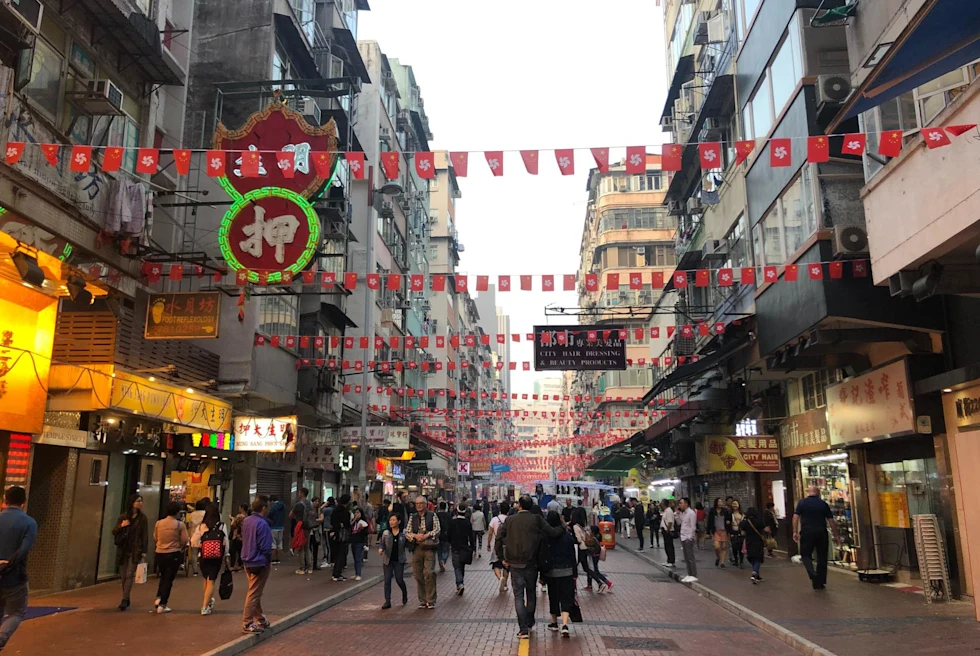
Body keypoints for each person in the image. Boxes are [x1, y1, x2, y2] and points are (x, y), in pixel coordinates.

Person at [494, 495, 565, 640]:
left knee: (518, 596)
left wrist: (502, 558)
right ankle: (530, 621)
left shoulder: (510, 520)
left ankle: (523, 628)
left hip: (514, 564)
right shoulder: (537, 519)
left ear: (519, 506)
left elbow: (498, 538)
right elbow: (552, 532)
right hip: (532, 563)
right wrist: (563, 527)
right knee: (531, 594)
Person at [0, 486, 37, 651]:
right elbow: (24, 549)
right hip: (15, 576)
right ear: (23, 502)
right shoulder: (29, 522)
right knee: (16, 612)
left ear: (5, 500)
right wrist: (8, 564)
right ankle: (1, 637)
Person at [793, 485, 840, 590]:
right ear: (817, 493)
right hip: (821, 532)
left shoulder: (802, 503)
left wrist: (795, 531)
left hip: (807, 532)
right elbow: (831, 520)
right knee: (822, 556)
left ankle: (812, 574)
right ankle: (820, 581)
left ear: (808, 492)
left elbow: (795, 517)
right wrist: (836, 535)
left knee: (805, 555)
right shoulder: (823, 504)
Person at [190, 502, 229, 615]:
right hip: (216, 557)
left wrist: (201, 545)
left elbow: (193, 541)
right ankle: (204, 606)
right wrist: (226, 555)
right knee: (211, 581)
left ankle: (208, 600)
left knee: (206, 579)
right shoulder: (222, 526)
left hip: (203, 556)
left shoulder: (201, 526)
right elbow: (225, 542)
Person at [241, 497, 272, 634]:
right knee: (254, 593)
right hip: (259, 561)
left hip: (247, 559)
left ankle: (260, 619)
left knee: (254, 591)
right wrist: (267, 559)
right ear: (264, 508)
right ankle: (247, 622)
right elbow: (265, 546)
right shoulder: (263, 524)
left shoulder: (246, 521)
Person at [112, 493, 148, 611]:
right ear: (132, 502)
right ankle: (126, 596)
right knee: (123, 576)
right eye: (138, 501)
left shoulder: (142, 519)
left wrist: (144, 551)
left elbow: (144, 535)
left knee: (129, 575)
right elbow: (114, 531)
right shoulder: (123, 517)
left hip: (135, 549)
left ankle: (125, 599)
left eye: (141, 501)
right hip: (123, 549)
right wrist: (122, 526)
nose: (140, 503)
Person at [544, 511, 576, 638]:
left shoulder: (546, 536)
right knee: (566, 597)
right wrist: (574, 570)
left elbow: (544, 554)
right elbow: (572, 555)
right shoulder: (567, 536)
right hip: (567, 571)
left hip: (551, 572)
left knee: (553, 596)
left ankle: (553, 623)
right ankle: (565, 624)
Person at [153, 501, 189, 613]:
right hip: (173, 553)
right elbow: (184, 540)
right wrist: (179, 546)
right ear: (177, 512)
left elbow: (155, 537)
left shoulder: (159, 523)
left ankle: (159, 597)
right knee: (169, 579)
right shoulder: (180, 525)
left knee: (163, 576)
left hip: (159, 552)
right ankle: (163, 604)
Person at [406, 496, 440, 608]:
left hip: (429, 547)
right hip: (416, 547)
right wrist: (415, 536)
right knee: (417, 574)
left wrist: (426, 535)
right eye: (417, 504)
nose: (419, 505)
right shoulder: (413, 517)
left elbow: (437, 529)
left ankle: (430, 600)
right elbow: (407, 532)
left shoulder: (432, 515)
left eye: (421, 503)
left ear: (426, 505)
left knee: (429, 573)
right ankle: (422, 599)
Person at [378, 511, 408, 608]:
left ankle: (404, 593)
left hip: (399, 560)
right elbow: (382, 544)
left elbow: (408, 543)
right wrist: (381, 549)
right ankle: (387, 601)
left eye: (394, 520)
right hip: (388, 560)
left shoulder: (404, 533)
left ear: (399, 521)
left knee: (399, 579)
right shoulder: (386, 533)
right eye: (390, 520)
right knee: (387, 580)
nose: (392, 522)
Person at [572, 515, 609, 593]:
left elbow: (578, 539)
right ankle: (597, 583)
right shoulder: (582, 526)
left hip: (581, 549)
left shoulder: (575, 526)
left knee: (580, 568)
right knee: (586, 568)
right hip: (585, 548)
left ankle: (599, 583)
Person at [447, 503, 475, 595]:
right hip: (464, 547)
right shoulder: (467, 523)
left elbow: (448, 535)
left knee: (457, 567)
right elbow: (471, 536)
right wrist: (472, 547)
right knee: (462, 566)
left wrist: (449, 542)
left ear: (457, 511)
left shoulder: (452, 522)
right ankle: (460, 583)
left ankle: (460, 583)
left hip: (455, 547)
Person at [740, 507, 771, 584]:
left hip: (749, 542)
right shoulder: (759, 521)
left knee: (753, 558)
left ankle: (757, 575)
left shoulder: (745, 522)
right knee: (758, 558)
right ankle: (754, 574)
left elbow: (742, 533)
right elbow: (766, 530)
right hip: (758, 542)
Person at [487, 500, 511, 594]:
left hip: (497, 544)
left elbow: (490, 533)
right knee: (506, 565)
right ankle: (505, 584)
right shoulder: (510, 519)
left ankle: (500, 578)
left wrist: (488, 543)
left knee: (495, 564)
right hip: (508, 544)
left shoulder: (494, 519)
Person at [291, 488, 315, 575]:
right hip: (308, 527)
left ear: (302, 493)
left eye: (299, 492)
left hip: (300, 526)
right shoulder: (310, 504)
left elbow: (291, 514)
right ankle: (310, 568)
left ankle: (302, 568)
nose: (298, 493)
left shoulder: (298, 504)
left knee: (300, 547)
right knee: (307, 547)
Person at [706, 497, 732, 568]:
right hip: (716, 531)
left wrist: (728, 522)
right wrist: (708, 532)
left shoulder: (725, 511)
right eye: (719, 502)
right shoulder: (712, 511)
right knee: (717, 547)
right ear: (716, 503)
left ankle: (722, 563)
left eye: (721, 502)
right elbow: (709, 522)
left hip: (724, 531)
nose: (720, 503)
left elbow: (729, 519)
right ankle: (718, 557)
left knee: (724, 547)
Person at [331, 495, 352, 581]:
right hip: (343, 535)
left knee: (337, 553)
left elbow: (332, 521)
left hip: (336, 534)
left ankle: (335, 572)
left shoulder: (335, 510)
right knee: (342, 554)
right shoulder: (345, 512)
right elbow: (347, 524)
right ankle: (337, 573)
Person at [677, 497, 698, 583]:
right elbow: (680, 523)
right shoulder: (684, 513)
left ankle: (693, 574)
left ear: (686, 504)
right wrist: (677, 516)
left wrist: (690, 537)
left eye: (681, 503)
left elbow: (692, 526)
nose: (680, 505)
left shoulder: (691, 513)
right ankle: (689, 573)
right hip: (683, 536)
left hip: (688, 538)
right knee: (686, 557)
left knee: (690, 557)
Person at [186, 498, 208, 576]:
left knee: (194, 553)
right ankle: (204, 568)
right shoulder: (205, 513)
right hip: (203, 535)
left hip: (193, 535)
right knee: (204, 552)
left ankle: (195, 570)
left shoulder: (192, 514)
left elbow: (189, 525)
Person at [350, 507, 369, 580]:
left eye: (358, 513)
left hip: (360, 542)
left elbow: (366, 533)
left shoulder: (363, 522)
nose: (356, 514)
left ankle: (359, 574)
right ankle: (356, 573)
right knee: (355, 558)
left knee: (358, 558)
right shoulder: (353, 522)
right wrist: (354, 520)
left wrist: (362, 529)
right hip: (353, 541)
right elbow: (350, 527)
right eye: (356, 512)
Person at [267, 496, 285, 565]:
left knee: (273, 544)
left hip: (274, 527)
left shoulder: (273, 507)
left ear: (272, 501)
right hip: (281, 527)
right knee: (279, 544)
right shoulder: (283, 506)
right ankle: (278, 559)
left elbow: (269, 515)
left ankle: (273, 559)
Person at [229, 503, 248, 572]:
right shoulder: (247, 517)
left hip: (236, 536)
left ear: (242, 508)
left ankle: (232, 565)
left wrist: (232, 519)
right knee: (240, 551)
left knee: (233, 551)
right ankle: (240, 565)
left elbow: (234, 525)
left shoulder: (239, 516)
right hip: (243, 536)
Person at [436, 501, 451, 573]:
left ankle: (440, 562)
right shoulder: (448, 515)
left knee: (439, 550)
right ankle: (443, 560)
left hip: (438, 535)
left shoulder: (436, 515)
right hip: (446, 535)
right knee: (446, 550)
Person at [659, 499, 676, 568]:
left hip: (668, 531)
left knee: (669, 546)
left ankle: (671, 561)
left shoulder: (669, 511)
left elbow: (670, 522)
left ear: (664, 504)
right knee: (666, 546)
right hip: (665, 530)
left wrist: (667, 530)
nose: (660, 505)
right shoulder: (666, 511)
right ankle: (668, 560)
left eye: (661, 504)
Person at [320, 497, 336, 567]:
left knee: (327, 545)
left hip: (327, 528)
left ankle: (328, 561)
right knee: (331, 545)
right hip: (332, 528)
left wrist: (324, 505)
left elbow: (320, 510)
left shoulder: (327, 510)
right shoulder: (335, 509)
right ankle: (332, 560)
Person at [730, 499, 746, 568]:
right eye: (733, 504)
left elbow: (745, 523)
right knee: (734, 548)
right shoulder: (730, 514)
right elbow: (728, 524)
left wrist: (744, 531)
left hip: (741, 532)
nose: (734, 505)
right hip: (733, 532)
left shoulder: (742, 514)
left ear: (739, 505)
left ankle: (741, 562)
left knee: (741, 548)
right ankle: (736, 560)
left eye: (736, 504)